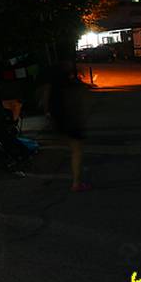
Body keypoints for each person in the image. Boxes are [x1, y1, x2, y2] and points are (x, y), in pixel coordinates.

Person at [41, 56, 91, 192]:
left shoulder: (52, 84)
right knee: (76, 151)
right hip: (71, 120)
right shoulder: (70, 84)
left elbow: (45, 98)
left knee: (70, 148)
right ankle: (76, 183)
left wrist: (47, 113)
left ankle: (75, 181)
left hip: (58, 118)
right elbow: (78, 100)